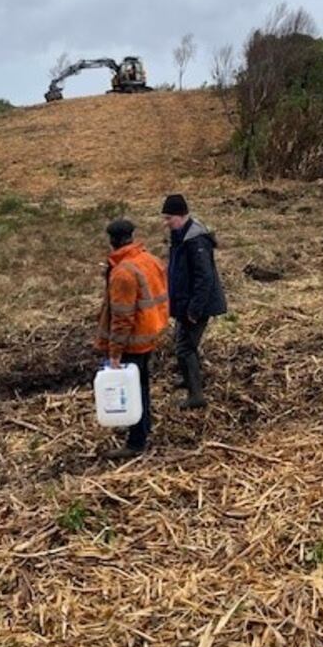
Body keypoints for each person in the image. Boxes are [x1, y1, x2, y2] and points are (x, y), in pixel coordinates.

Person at [95, 217, 169, 459]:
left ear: (113, 241)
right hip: (149, 334)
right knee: (143, 386)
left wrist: (115, 352)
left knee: (133, 390)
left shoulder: (123, 273)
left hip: (133, 341)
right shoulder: (149, 260)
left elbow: (122, 318)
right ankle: (144, 427)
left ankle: (136, 442)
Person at [161, 194, 227, 409]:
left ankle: (195, 396)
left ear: (181, 216)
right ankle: (190, 379)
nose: (166, 222)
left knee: (185, 348)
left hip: (196, 305)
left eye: (169, 218)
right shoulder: (181, 236)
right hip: (184, 303)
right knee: (183, 343)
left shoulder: (195, 241)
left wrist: (194, 309)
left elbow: (204, 277)